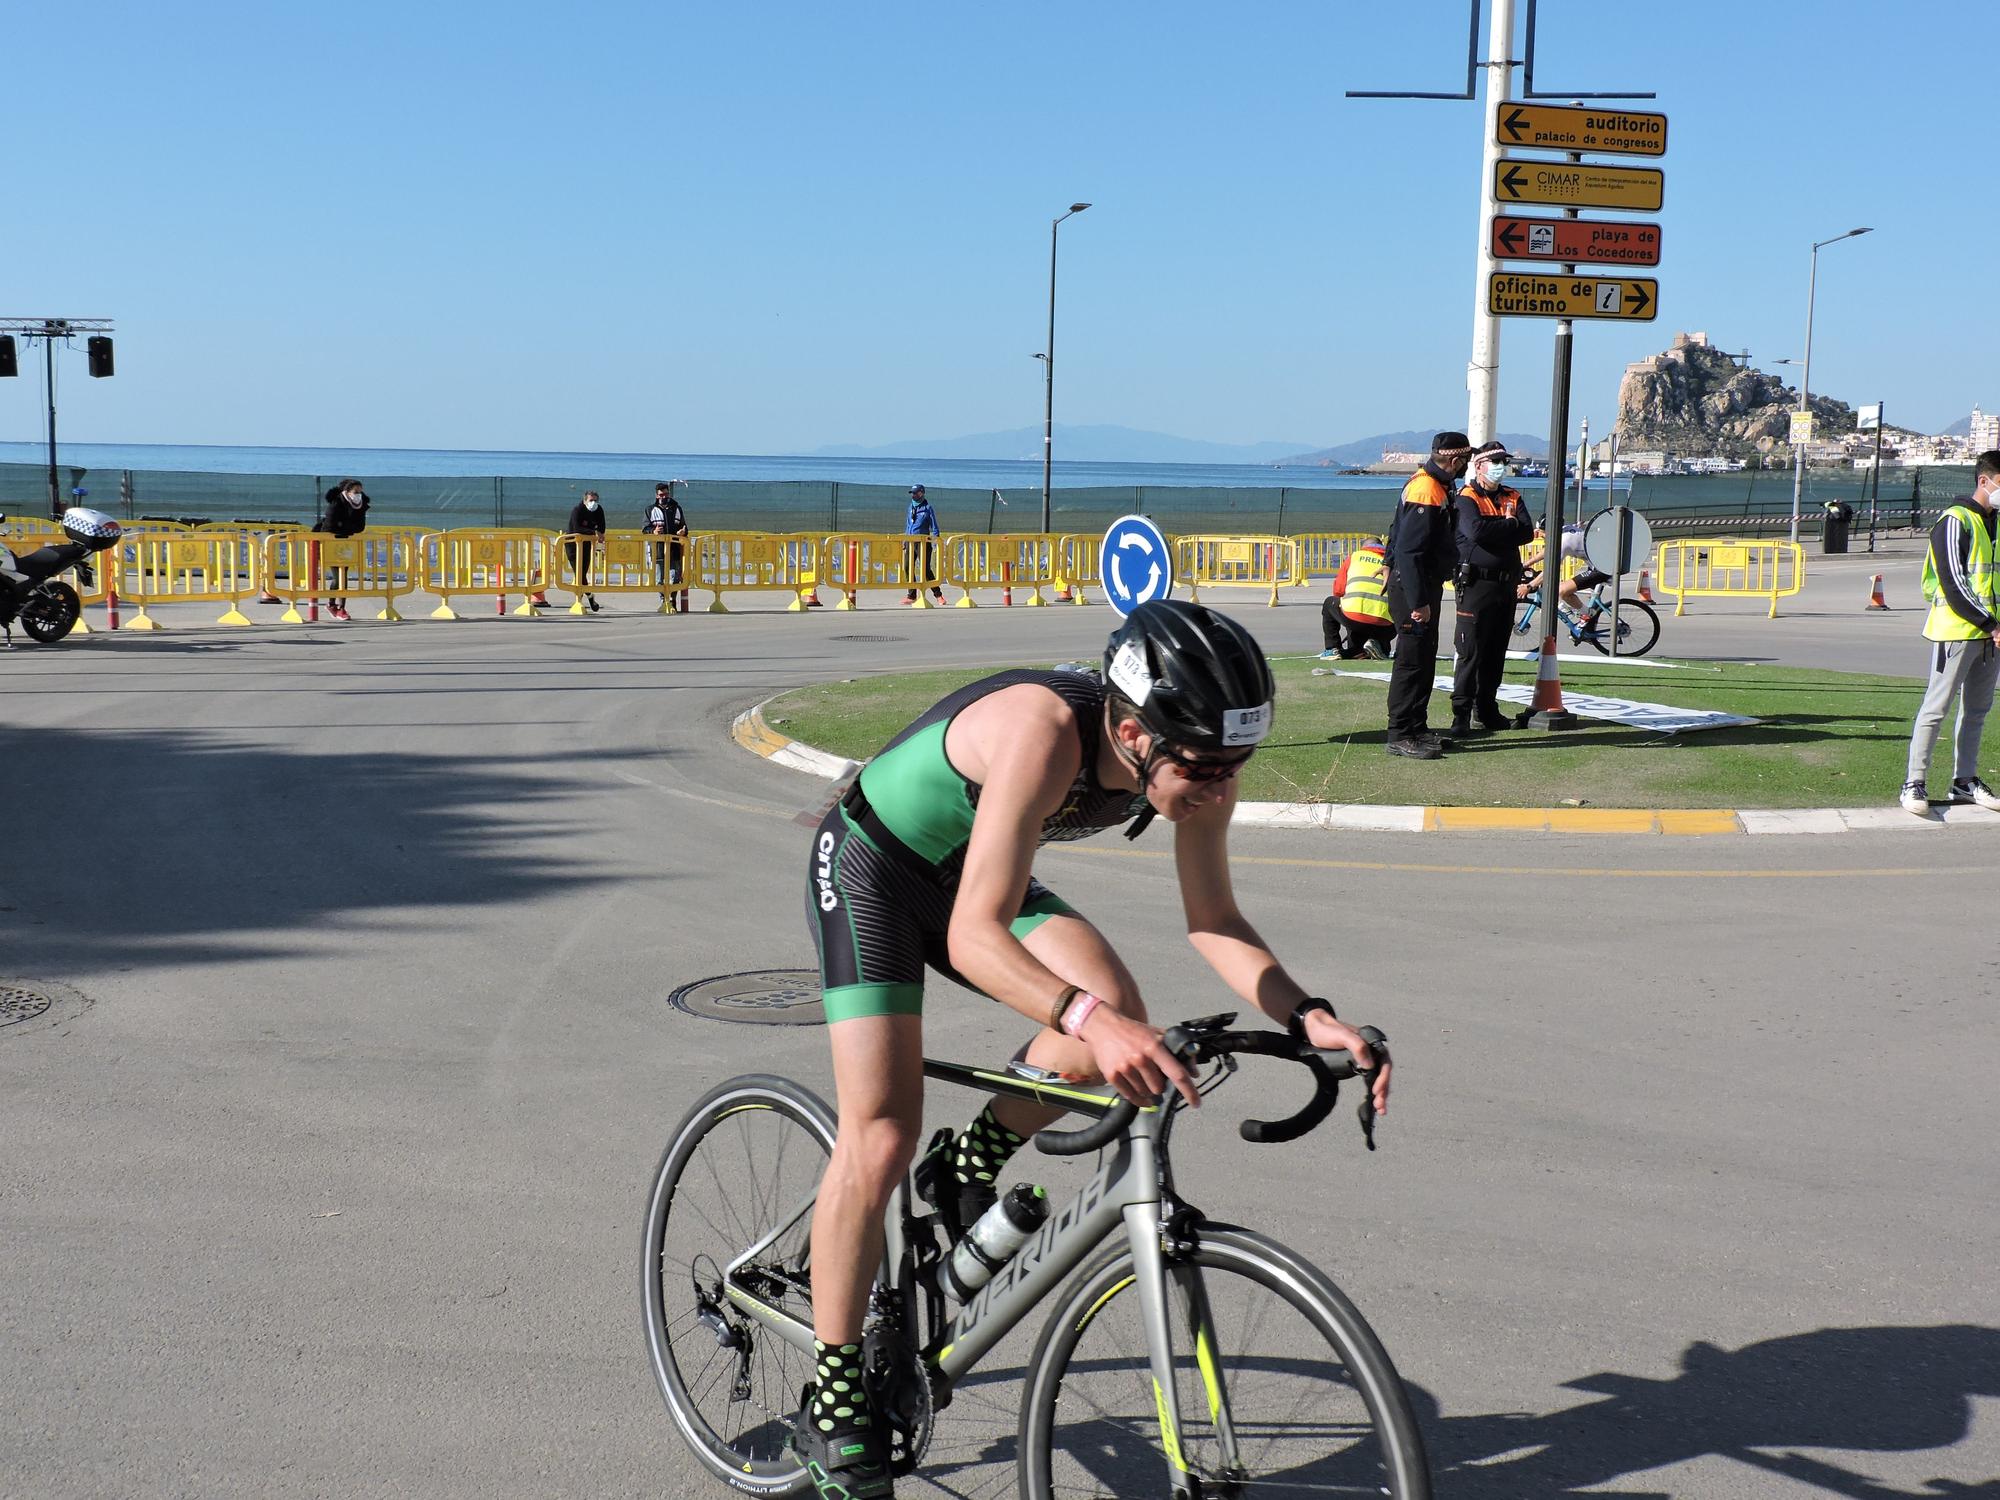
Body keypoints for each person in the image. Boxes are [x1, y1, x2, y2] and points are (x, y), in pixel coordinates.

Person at [797, 600, 1393, 1500]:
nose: (1222, 787)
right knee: (880, 1130)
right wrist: (1085, 1020)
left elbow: (1216, 920)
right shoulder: (1043, 733)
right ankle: (835, 1395)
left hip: (969, 871)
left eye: (1238, 765)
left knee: (1119, 1012)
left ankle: (967, 1163)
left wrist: (1310, 1013)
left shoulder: (1183, 756)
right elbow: (973, 938)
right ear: (1130, 731)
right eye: (1204, 767)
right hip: (873, 869)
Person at [1899, 449, 2000, 816]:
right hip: (1957, 631)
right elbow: (1954, 583)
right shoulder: (1954, 521)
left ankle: (1965, 781)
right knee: (1936, 708)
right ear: (1984, 481)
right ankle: (1914, 782)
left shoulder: (1997, 522)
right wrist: (1991, 625)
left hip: (1990, 638)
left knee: (1977, 710)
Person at [1383, 432, 1471, 758]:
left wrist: (1387, 563)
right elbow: (1410, 550)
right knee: (1411, 662)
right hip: (1413, 588)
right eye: (1465, 460)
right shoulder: (1426, 490)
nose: (1466, 466)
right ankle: (1401, 732)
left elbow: (1397, 537)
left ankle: (1416, 728)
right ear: (1453, 459)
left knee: (1423, 660)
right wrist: (1418, 602)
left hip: (1420, 584)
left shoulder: (1434, 486)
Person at [1450, 442, 1535, 734]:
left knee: (1496, 652)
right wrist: (1508, 524)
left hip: (1505, 585)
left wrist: (1504, 527)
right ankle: (1460, 714)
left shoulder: (1513, 494)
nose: (1501, 466)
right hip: (1475, 584)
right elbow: (1474, 531)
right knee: (1470, 651)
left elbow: (1526, 532)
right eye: (1495, 461)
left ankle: (1486, 709)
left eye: (1504, 461)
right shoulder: (1466, 496)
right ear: (1479, 465)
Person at [1318, 537, 1394, 660]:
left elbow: (1339, 591)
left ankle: (1333, 649)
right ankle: (1379, 647)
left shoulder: (1355, 556)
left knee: (1331, 603)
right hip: (1386, 625)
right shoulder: (1390, 561)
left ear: (1364, 547)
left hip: (1354, 617)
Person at [312, 478, 369, 620]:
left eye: (360, 492)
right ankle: (332, 604)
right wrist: (346, 528)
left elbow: (360, 527)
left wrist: (344, 528)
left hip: (346, 544)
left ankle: (341, 607)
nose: (358, 495)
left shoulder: (361, 505)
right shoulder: (336, 503)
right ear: (347, 492)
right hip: (330, 543)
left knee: (344, 575)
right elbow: (330, 526)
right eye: (356, 492)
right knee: (338, 577)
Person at [645, 481, 690, 613]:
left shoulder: (676, 508)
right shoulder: (650, 510)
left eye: (666, 494)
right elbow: (645, 528)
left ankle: (672, 600)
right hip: (658, 550)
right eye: (661, 495)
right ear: (656, 495)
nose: (664, 497)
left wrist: (683, 531)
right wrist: (653, 531)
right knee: (659, 578)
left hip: (675, 549)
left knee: (675, 577)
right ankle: (663, 601)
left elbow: (684, 526)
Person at [902, 484, 946, 606]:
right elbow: (908, 525)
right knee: (907, 567)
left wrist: (936, 540)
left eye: (916, 493)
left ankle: (939, 596)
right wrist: (905, 540)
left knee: (925, 570)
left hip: (923, 542)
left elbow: (934, 526)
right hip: (910, 541)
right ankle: (911, 595)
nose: (913, 495)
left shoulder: (928, 508)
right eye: (912, 493)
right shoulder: (910, 507)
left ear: (922, 493)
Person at [566, 490, 608, 612]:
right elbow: (576, 528)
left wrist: (599, 533)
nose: (593, 503)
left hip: (586, 544)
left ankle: (586, 597)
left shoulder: (598, 510)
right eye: (591, 500)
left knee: (583, 571)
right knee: (579, 573)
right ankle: (587, 598)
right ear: (585, 501)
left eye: (595, 500)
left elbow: (602, 527)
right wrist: (593, 532)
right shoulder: (577, 510)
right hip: (572, 545)